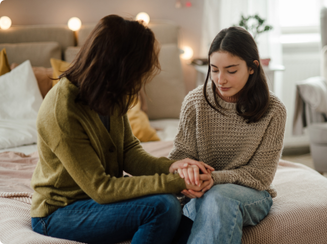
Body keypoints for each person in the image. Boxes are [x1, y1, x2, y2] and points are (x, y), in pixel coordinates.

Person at [30, 14, 214, 244]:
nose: (139, 80)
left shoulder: (111, 94)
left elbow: (129, 152)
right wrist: (176, 183)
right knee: (163, 206)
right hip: (60, 212)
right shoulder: (62, 110)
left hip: (98, 203)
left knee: (192, 223)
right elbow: (102, 188)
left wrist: (173, 168)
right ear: (120, 65)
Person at [169, 26, 287, 244]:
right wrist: (191, 172)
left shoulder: (274, 110)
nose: (220, 79)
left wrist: (215, 179)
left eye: (231, 71)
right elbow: (179, 157)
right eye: (214, 70)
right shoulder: (195, 102)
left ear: (252, 68)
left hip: (251, 193)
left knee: (218, 198)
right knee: (208, 200)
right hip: (201, 192)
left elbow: (261, 176)